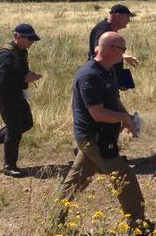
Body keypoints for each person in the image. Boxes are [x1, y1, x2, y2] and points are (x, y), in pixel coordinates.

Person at [58, 32, 145, 226]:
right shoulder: (89, 75)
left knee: (76, 180)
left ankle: (55, 217)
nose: (124, 53)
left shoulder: (108, 69)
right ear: (112, 49)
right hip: (95, 138)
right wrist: (123, 117)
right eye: (122, 49)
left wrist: (127, 118)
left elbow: (114, 101)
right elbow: (97, 113)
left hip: (101, 136)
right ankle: (139, 225)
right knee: (125, 178)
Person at [0, 24, 42, 177]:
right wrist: (24, 78)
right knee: (14, 129)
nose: (32, 42)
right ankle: (9, 165)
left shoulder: (22, 51)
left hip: (16, 93)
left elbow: (16, 72)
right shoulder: (6, 54)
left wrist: (28, 75)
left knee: (26, 123)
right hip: (4, 95)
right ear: (17, 37)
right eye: (29, 39)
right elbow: (1, 80)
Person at [88, 4, 139, 81]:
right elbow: (98, 49)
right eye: (127, 17)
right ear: (118, 16)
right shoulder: (102, 30)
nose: (129, 20)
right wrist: (123, 56)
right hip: (100, 75)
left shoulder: (111, 29)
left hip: (109, 74)